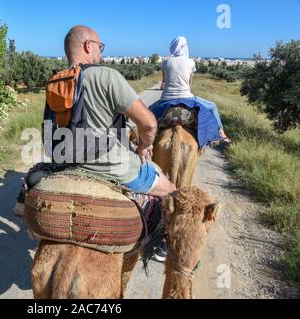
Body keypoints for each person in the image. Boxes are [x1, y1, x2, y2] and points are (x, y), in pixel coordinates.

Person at [60, 25, 176, 199]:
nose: (101, 53)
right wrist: (144, 146)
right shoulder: (107, 76)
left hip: (65, 162)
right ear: (88, 46)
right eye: (100, 47)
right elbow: (149, 124)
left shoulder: (56, 81)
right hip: (113, 167)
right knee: (173, 192)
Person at [160, 36, 231, 143]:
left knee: (148, 112)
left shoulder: (165, 63)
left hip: (166, 99)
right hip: (187, 98)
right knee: (213, 107)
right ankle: (221, 133)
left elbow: (164, 82)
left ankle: (141, 142)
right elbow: (190, 84)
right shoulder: (191, 62)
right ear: (184, 47)